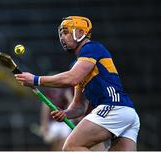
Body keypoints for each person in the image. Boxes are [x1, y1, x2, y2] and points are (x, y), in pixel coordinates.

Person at [15, 16, 140, 151]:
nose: (62, 37)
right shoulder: (79, 64)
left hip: (113, 108)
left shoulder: (91, 48)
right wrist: (65, 113)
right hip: (127, 113)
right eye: (61, 33)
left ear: (80, 33)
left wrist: (35, 80)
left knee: (71, 147)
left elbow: (71, 78)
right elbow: (79, 107)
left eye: (66, 32)